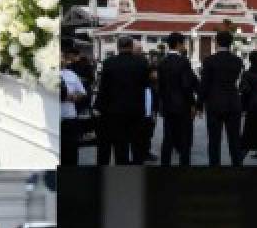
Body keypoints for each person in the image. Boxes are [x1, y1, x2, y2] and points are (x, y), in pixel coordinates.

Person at [94, 35, 150, 165]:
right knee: (137, 145)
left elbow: (104, 88)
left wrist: (98, 107)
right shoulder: (141, 62)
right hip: (136, 110)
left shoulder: (109, 63)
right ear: (131, 46)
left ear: (118, 47)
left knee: (121, 146)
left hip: (115, 111)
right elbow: (146, 84)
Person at [199, 30, 244, 164]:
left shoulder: (209, 61)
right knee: (234, 140)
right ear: (231, 43)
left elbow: (204, 84)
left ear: (217, 42)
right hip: (233, 101)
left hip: (214, 103)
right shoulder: (237, 61)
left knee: (214, 141)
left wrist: (198, 104)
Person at [156, 32, 199, 166]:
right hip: (183, 105)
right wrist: (193, 104)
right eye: (183, 43)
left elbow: (160, 87)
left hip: (168, 105)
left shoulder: (162, 62)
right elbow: (186, 85)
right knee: (184, 139)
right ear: (179, 44)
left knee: (168, 138)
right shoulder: (183, 62)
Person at [61, 41, 89, 165]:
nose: (60, 59)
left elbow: (82, 93)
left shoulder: (72, 75)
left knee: (71, 154)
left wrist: (72, 97)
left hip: (69, 119)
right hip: (54, 119)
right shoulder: (44, 75)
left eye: (61, 57)